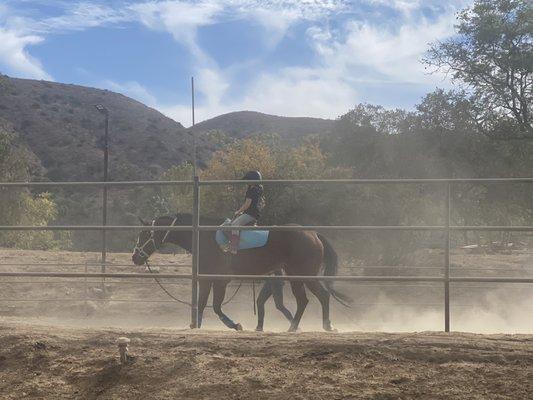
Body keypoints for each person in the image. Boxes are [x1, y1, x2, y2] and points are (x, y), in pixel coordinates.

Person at [229, 170, 265, 254]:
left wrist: (238, 211)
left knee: (234, 224)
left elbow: (247, 204)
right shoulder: (259, 189)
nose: (246, 182)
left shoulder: (252, 190)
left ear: (253, 180)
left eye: (248, 180)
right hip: (254, 214)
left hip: (250, 214)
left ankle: (234, 247)